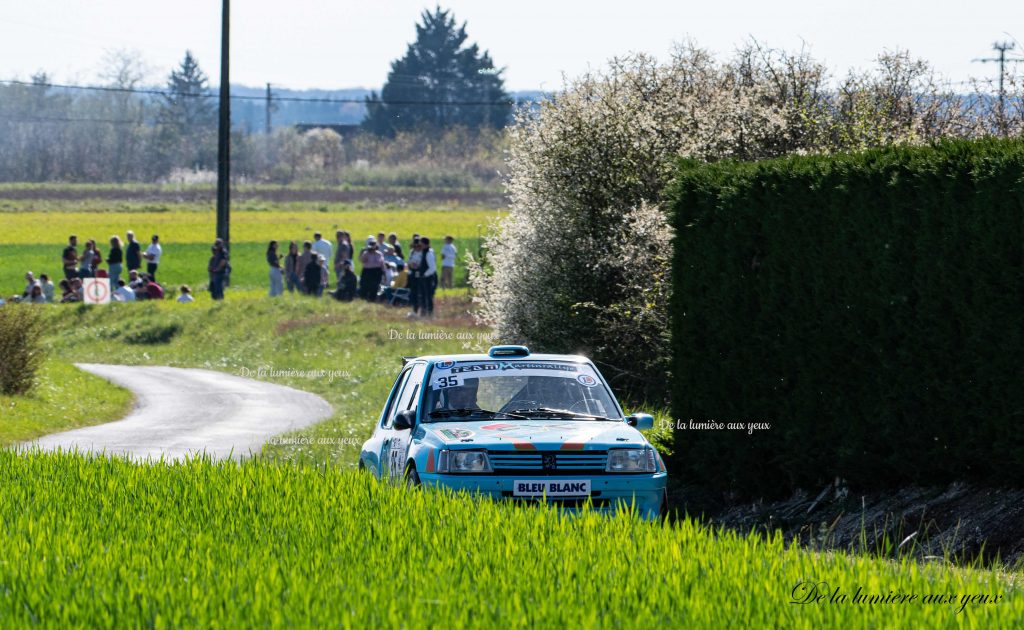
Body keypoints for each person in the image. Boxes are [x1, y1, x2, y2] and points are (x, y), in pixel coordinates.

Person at [415, 236, 438, 317]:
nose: (419, 245)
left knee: (428, 296)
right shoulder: (424, 252)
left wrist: (424, 275)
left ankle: (429, 313)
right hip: (424, 278)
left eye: (421, 243)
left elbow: (432, 268)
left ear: (424, 244)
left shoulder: (429, 253)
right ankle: (423, 313)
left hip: (428, 278)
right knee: (423, 296)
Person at [358, 235, 385, 301]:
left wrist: (383, 272)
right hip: (367, 271)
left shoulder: (379, 254)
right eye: (371, 244)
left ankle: (372, 299)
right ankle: (363, 298)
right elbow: (362, 260)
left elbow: (382, 263)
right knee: (365, 285)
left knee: (374, 286)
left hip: (376, 272)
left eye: (373, 245)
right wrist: (367, 252)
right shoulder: (366, 253)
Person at [406, 237, 423, 316]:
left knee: (419, 291)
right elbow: (408, 262)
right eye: (415, 246)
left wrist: (418, 265)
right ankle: (414, 308)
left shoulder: (423, 253)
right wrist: (411, 265)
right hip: (412, 273)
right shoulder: (412, 252)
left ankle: (420, 309)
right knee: (413, 291)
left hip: (420, 273)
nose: (416, 248)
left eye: (418, 246)